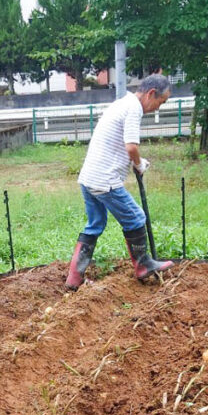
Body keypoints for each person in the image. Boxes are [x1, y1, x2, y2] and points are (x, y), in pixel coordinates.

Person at [65, 74, 175, 290]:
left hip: (89, 177)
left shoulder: (121, 103)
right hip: (105, 180)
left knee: (95, 224)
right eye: (160, 103)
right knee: (135, 218)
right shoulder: (134, 108)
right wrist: (139, 164)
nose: (158, 108)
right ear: (151, 93)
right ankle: (143, 265)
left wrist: (136, 161)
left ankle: (74, 277)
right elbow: (131, 147)